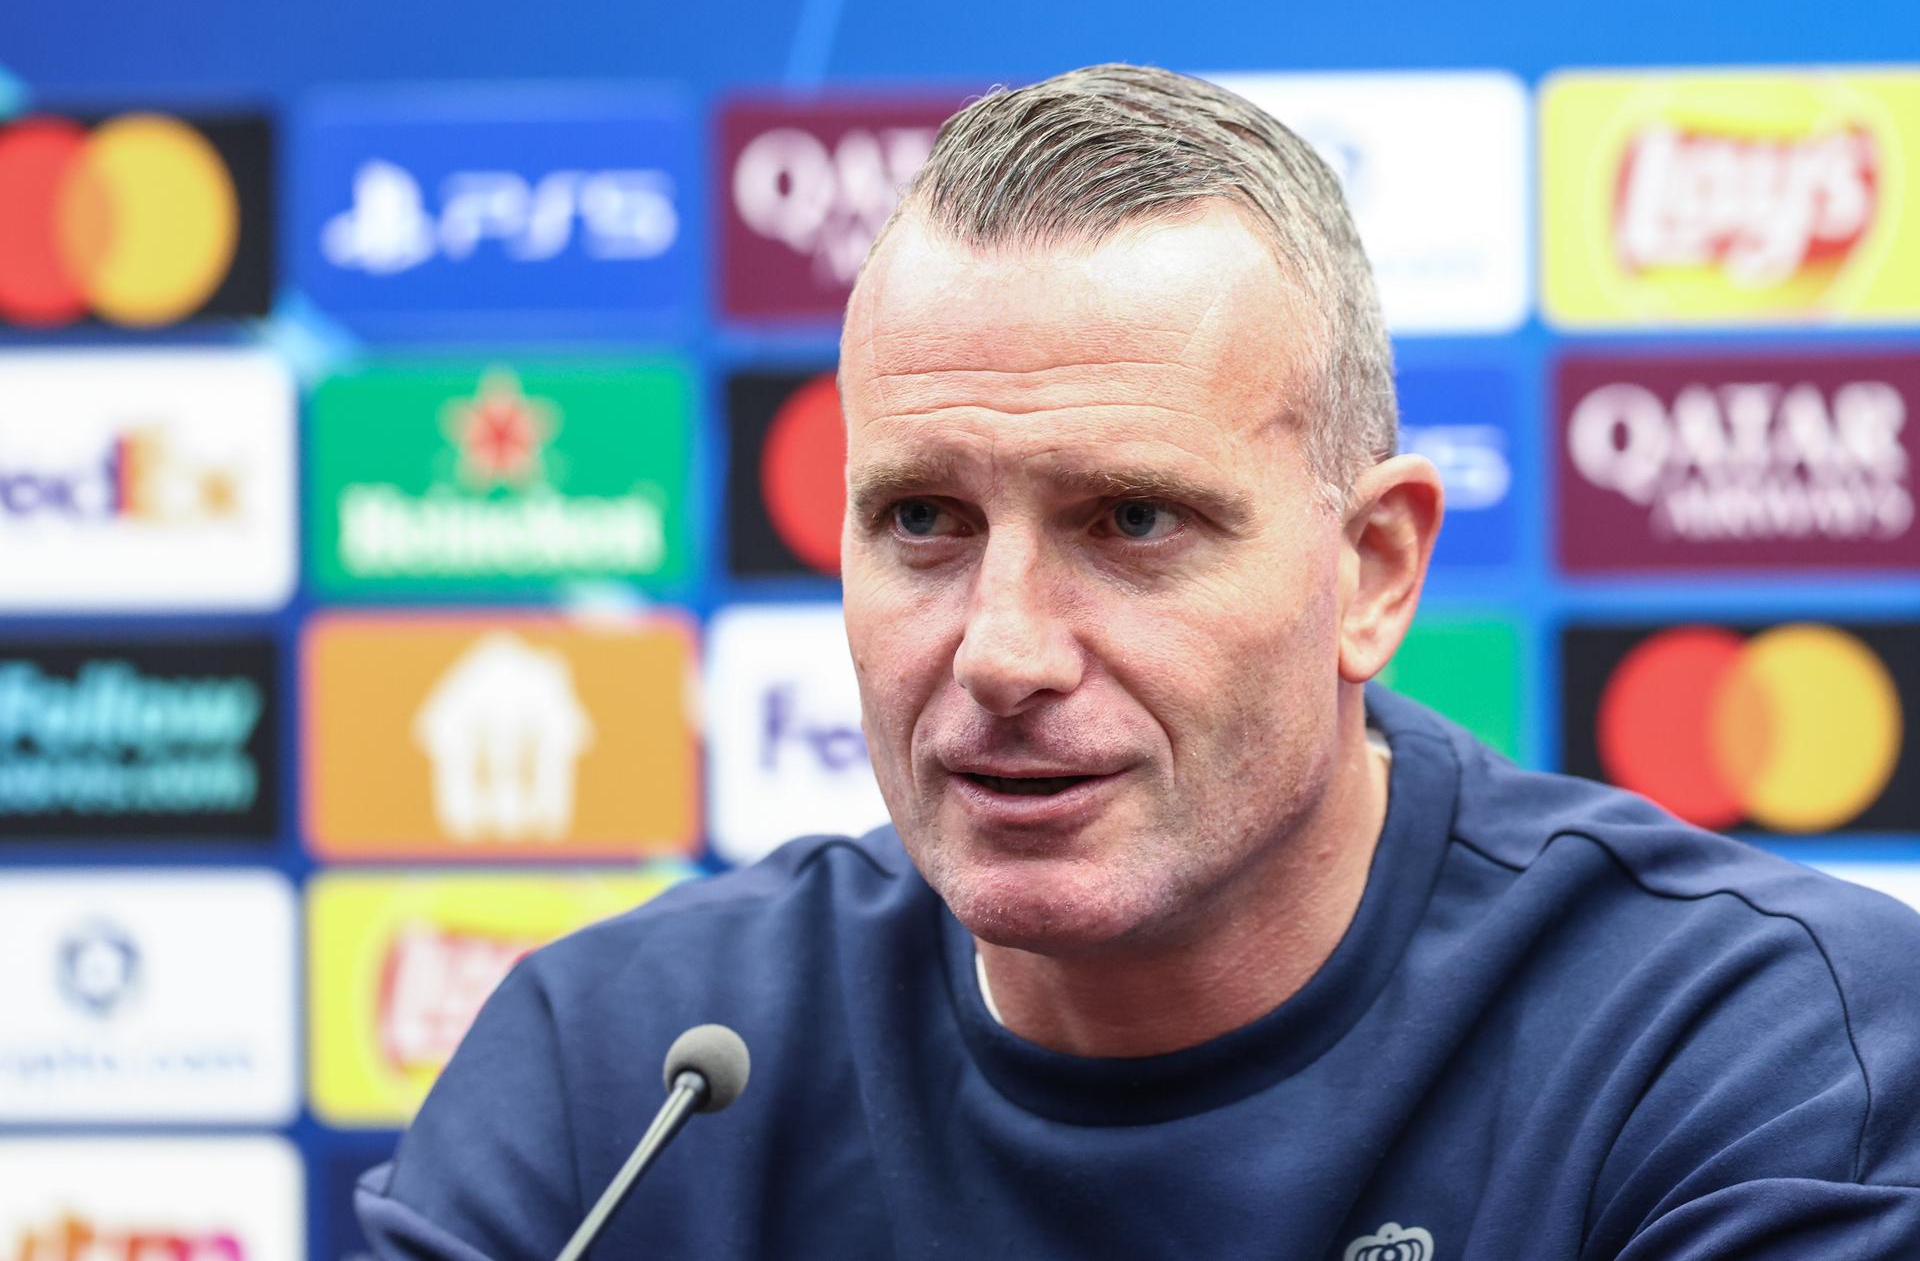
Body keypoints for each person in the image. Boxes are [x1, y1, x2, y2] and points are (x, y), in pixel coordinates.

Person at [358, 64, 1920, 1259]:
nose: (1005, 649)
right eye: (922, 518)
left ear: (1371, 570)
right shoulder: (623, 1074)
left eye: (1133, 519)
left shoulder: (1749, 1047)